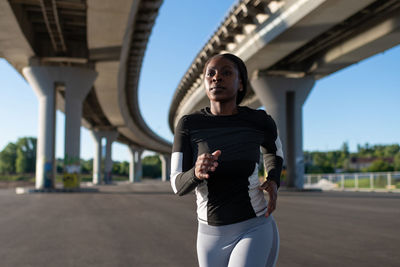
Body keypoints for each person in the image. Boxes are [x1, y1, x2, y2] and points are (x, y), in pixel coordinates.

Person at [170, 53, 283, 267]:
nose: (216, 77)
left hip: (254, 226)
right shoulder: (188, 125)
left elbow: (274, 152)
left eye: (226, 72)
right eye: (210, 74)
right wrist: (195, 172)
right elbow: (176, 184)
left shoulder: (259, 120)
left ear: (241, 83)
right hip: (208, 236)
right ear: (204, 83)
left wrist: (274, 179)